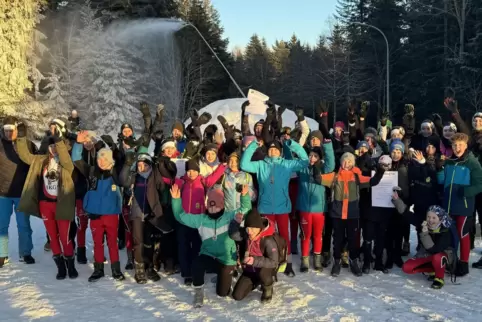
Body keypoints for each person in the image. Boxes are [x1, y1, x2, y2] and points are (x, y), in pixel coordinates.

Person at [170, 183, 251, 308]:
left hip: (227, 259)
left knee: (222, 293)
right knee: (197, 262)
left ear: (222, 205)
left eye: (216, 207)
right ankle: (198, 292)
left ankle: (225, 275)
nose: (213, 210)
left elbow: (245, 209)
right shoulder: (201, 219)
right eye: (210, 206)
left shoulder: (229, 216)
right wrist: (176, 200)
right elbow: (181, 217)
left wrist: (244, 196)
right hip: (208, 255)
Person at [16, 123, 78, 279]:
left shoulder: (66, 164)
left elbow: (65, 158)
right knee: (53, 236)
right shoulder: (41, 160)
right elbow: (25, 156)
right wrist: (22, 137)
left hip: (62, 204)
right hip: (45, 204)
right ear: (47, 147)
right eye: (51, 146)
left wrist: (58, 139)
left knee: (65, 237)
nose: (54, 149)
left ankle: (70, 263)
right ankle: (60, 266)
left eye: (56, 146)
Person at [241, 138, 309, 276]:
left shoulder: (287, 165)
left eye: (276, 149)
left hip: (282, 207)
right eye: (271, 149)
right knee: (265, 237)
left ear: (280, 151)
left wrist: (291, 144)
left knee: (284, 236)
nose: (273, 151)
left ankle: (287, 263)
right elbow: (244, 164)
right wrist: (253, 145)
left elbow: (305, 161)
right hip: (265, 208)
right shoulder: (261, 165)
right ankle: (266, 264)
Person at [317, 152, 385, 277]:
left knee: (353, 240)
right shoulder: (335, 176)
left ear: (353, 163)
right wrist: (316, 166)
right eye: (344, 161)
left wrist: (380, 170)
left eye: (349, 161)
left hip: (352, 214)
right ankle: (336, 262)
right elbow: (319, 179)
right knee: (337, 240)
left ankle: (353, 261)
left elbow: (374, 181)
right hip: (337, 214)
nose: (346, 163)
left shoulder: (357, 176)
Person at [72, 139, 125, 282]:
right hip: (95, 215)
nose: (102, 161)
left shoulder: (115, 172)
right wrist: (78, 143)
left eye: (105, 159)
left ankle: (116, 270)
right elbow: (76, 159)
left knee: (112, 242)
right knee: (97, 243)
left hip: (111, 214)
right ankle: (98, 269)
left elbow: (125, 166)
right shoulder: (91, 171)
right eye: (100, 158)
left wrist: (116, 147)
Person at [437, 133, 482, 276]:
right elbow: (441, 181)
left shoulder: (472, 163)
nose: (457, 148)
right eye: (455, 145)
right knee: (449, 234)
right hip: (448, 205)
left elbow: (480, 184)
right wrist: (439, 169)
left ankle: (463, 263)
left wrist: (467, 192)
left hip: (464, 206)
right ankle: (451, 261)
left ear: (466, 146)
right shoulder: (450, 162)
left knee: (463, 234)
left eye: (460, 145)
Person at [392, 195, 455, 289]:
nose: (430, 220)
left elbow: (434, 249)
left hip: (442, 257)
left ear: (440, 218)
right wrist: (397, 200)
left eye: (434, 218)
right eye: (429, 217)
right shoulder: (424, 224)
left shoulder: (445, 231)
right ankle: (432, 270)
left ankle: (439, 278)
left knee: (437, 257)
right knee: (407, 268)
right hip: (426, 256)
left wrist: (424, 234)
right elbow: (407, 214)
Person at [0, 117, 36, 267]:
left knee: (24, 225)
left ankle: (26, 253)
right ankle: (2, 254)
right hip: (3, 193)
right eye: (6, 130)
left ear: (17, 130)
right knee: (2, 225)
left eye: (12, 130)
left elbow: (35, 164)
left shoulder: (27, 145)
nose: (9, 134)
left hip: (22, 192)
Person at [229, 209, 278, 303]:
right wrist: (236, 222)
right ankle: (256, 281)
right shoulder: (246, 235)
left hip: (265, 269)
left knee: (263, 272)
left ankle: (268, 287)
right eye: (248, 228)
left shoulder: (268, 240)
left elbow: (274, 262)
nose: (250, 231)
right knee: (237, 296)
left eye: (253, 228)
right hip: (250, 270)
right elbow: (233, 235)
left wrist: (255, 261)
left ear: (259, 227)